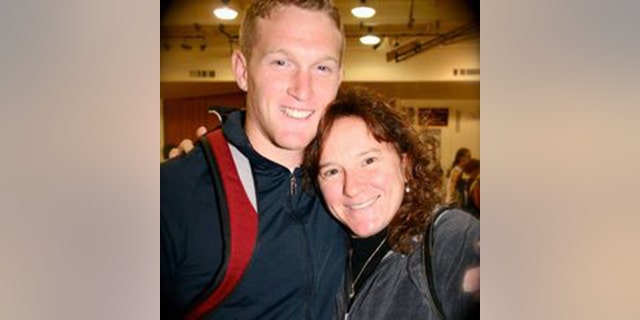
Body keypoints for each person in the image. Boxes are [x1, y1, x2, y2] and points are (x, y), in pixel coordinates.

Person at [160, 0, 347, 319]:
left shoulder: (352, 185)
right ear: (243, 70)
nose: (303, 90)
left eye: (321, 67)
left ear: (339, 79)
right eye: (281, 63)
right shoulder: (171, 194)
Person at [302, 87, 480, 319]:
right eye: (332, 171)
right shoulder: (326, 254)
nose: (352, 187)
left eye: (368, 160)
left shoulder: (451, 238)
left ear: (405, 165)